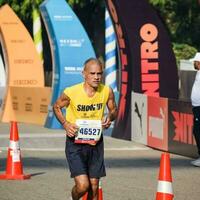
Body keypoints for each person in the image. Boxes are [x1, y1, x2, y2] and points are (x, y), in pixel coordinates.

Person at [53, 58, 118, 199]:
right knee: (83, 186)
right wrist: (65, 124)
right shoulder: (71, 92)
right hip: (75, 143)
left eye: (99, 73)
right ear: (84, 74)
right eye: (92, 73)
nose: (96, 77)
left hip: (95, 143)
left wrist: (109, 118)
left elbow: (114, 111)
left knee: (94, 187)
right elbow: (56, 106)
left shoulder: (107, 91)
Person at [190, 52, 200, 167]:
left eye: (195, 62)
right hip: (197, 107)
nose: (194, 63)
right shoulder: (198, 73)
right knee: (197, 131)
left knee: (198, 132)